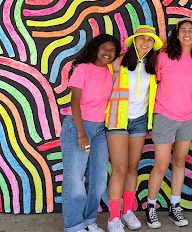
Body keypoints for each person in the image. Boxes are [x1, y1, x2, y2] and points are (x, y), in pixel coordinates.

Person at [144, 18, 192, 229]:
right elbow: (155, 81)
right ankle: (151, 206)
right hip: (164, 116)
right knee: (161, 164)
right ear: (177, 34)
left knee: (180, 162)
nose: (187, 34)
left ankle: (174, 206)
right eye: (183, 30)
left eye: (191, 30)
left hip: (188, 117)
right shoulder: (164, 56)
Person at [105, 26, 162, 232]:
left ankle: (128, 211)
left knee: (132, 167)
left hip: (139, 121)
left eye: (149, 40)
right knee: (119, 168)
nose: (145, 43)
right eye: (141, 39)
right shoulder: (117, 61)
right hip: (117, 120)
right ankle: (113, 217)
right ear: (134, 41)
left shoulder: (154, 65)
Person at [61, 34, 120, 232]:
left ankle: (89, 221)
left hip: (99, 129)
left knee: (99, 178)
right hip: (78, 127)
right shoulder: (83, 69)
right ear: (95, 48)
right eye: (104, 48)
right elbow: (74, 103)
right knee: (75, 179)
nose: (108, 53)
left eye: (112, 50)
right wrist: (80, 133)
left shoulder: (110, 72)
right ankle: (74, 225)